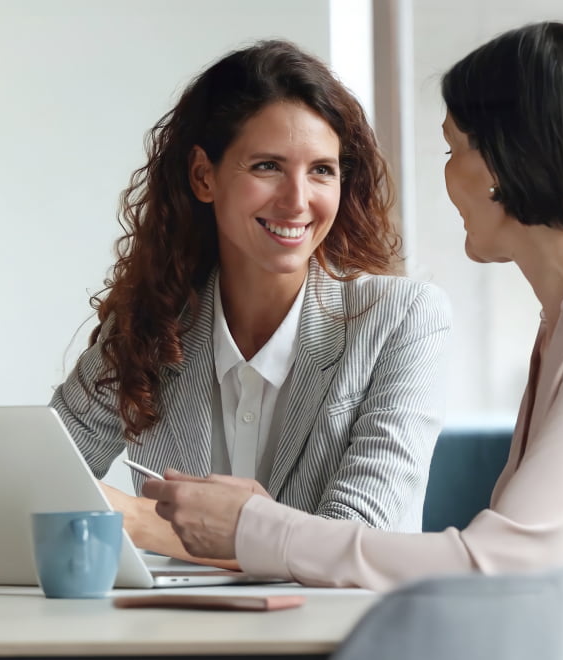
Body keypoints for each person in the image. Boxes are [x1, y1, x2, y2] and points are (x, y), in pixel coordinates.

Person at [142, 22, 563, 660]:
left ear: (502, 163)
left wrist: (253, 528)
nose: (446, 179)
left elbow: (500, 567)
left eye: (451, 151)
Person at [50, 39, 452, 562]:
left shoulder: (404, 319)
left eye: (322, 170)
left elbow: (351, 544)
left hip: (344, 639)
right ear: (203, 176)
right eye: (267, 166)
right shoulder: (148, 325)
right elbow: (32, 481)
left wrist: (136, 520)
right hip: (178, 636)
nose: (297, 199)